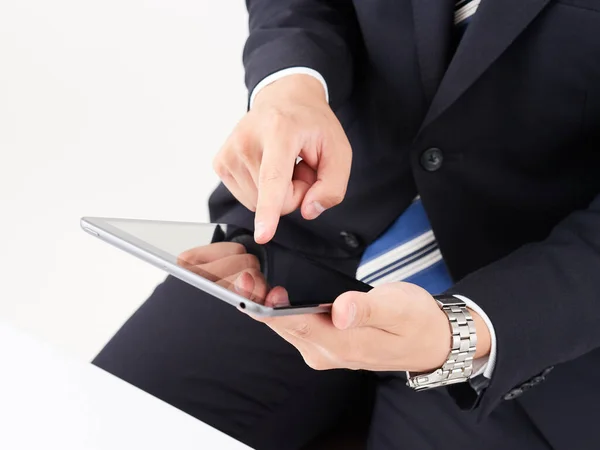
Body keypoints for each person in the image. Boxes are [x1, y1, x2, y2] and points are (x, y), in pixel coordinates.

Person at [93, 0, 600, 449]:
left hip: (535, 330)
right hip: (310, 244)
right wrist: (291, 86)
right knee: (96, 425)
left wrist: (465, 334)